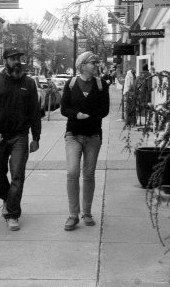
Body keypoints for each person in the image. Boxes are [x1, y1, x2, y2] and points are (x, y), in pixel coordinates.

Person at [0, 47, 41, 231]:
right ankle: (6, 200)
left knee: (17, 175)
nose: (17, 61)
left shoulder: (29, 83)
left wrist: (36, 137)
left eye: (19, 58)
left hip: (20, 136)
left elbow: (34, 113)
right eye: (13, 58)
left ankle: (12, 214)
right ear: (5, 61)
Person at [60, 51, 110, 231]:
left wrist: (89, 115)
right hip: (73, 134)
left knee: (88, 175)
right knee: (72, 172)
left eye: (96, 63)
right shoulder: (71, 83)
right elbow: (64, 109)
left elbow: (105, 110)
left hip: (93, 136)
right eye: (92, 63)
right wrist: (77, 115)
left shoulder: (101, 84)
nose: (96, 65)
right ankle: (73, 215)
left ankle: (87, 213)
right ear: (82, 65)